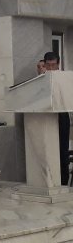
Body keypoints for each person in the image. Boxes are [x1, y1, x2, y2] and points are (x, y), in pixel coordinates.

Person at [43, 51, 70, 186]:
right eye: (48, 65)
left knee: (62, 150)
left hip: (62, 114)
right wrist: (41, 74)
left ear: (58, 64)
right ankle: (49, 180)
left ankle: (64, 182)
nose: (51, 68)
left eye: (53, 65)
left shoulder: (64, 77)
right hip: (46, 116)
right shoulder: (42, 77)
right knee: (48, 150)